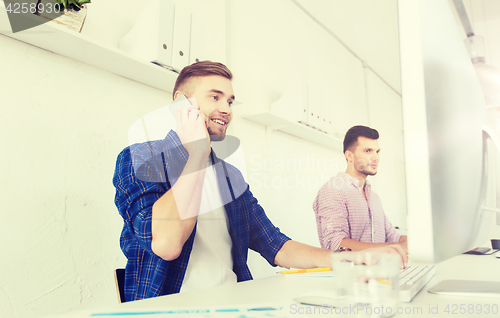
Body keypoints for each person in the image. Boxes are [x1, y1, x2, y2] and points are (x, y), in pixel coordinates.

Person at [113, 62, 407, 302]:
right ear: (180, 105)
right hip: (169, 309)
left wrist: (345, 261)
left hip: (233, 306)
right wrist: (197, 154)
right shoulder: (140, 158)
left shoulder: (229, 177)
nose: (227, 109)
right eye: (214, 97)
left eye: (230, 101)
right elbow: (166, 244)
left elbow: (277, 246)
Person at [313, 125, 407, 252]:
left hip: (382, 271)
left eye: (377, 151)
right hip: (351, 272)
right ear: (350, 156)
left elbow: (394, 237)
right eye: (368, 151)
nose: (376, 158)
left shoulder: (374, 198)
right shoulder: (333, 190)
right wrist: (394, 248)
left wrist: (414, 242)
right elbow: (336, 245)